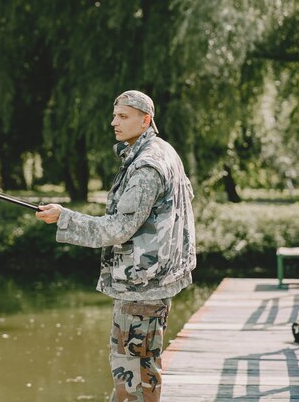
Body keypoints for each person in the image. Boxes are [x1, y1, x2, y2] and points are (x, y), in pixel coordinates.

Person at [35, 90, 196, 402]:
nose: (113, 122)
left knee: (132, 372)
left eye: (123, 116)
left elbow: (120, 228)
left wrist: (65, 218)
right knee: (142, 368)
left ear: (145, 119)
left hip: (141, 287)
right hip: (153, 283)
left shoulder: (147, 165)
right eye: (114, 115)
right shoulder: (164, 152)